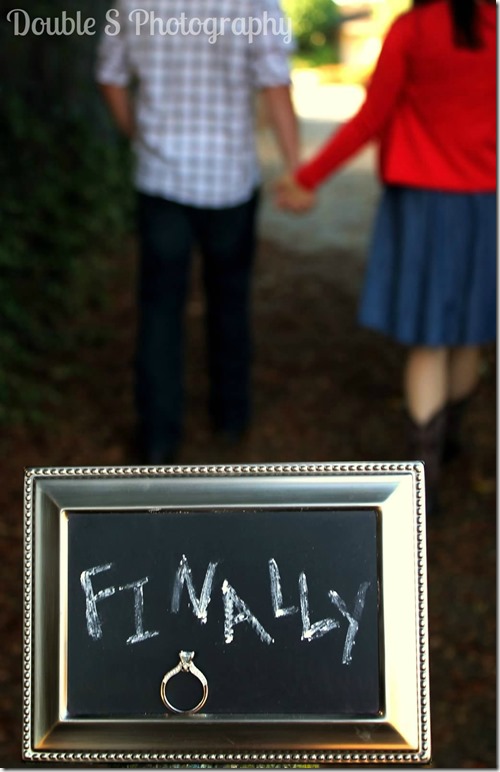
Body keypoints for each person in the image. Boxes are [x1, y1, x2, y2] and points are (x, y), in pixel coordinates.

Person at [275, 0, 496, 513]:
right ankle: (451, 444)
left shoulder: (413, 29)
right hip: (487, 205)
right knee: (469, 335)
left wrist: (307, 178)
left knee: (429, 341)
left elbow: (372, 117)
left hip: (422, 203)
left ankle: (425, 480)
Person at [96, 0, 299, 464]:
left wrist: (137, 134)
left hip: (160, 179)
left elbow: (109, 76)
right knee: (230, 301)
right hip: (230, 179)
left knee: (159, 309)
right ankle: (231, 417)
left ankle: (158, 437)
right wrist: (296, 168)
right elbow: (275, 83)